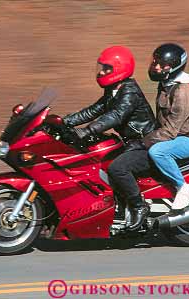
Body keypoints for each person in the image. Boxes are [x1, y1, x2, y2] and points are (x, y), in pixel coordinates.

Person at [62, 45, 156, 230]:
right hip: (131, 143)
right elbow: (94, 110)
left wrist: (88, 130)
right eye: (101, 67)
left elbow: (116, 116)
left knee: (117, 169)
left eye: (106, 68)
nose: (101, 72)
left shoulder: (129, 91)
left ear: (120, 69)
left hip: (145, 144)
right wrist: (63, 122)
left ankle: (139, 206)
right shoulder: (114, 90)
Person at [144, 43, 189, 213]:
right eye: (155, 62)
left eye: (161, 64)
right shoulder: (166, 84)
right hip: (176, 135)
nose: (156, 67)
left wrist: (145, 141)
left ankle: (183, 189)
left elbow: (171, 130)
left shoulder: (182, 90)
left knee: (157, 152)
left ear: (174, 66)